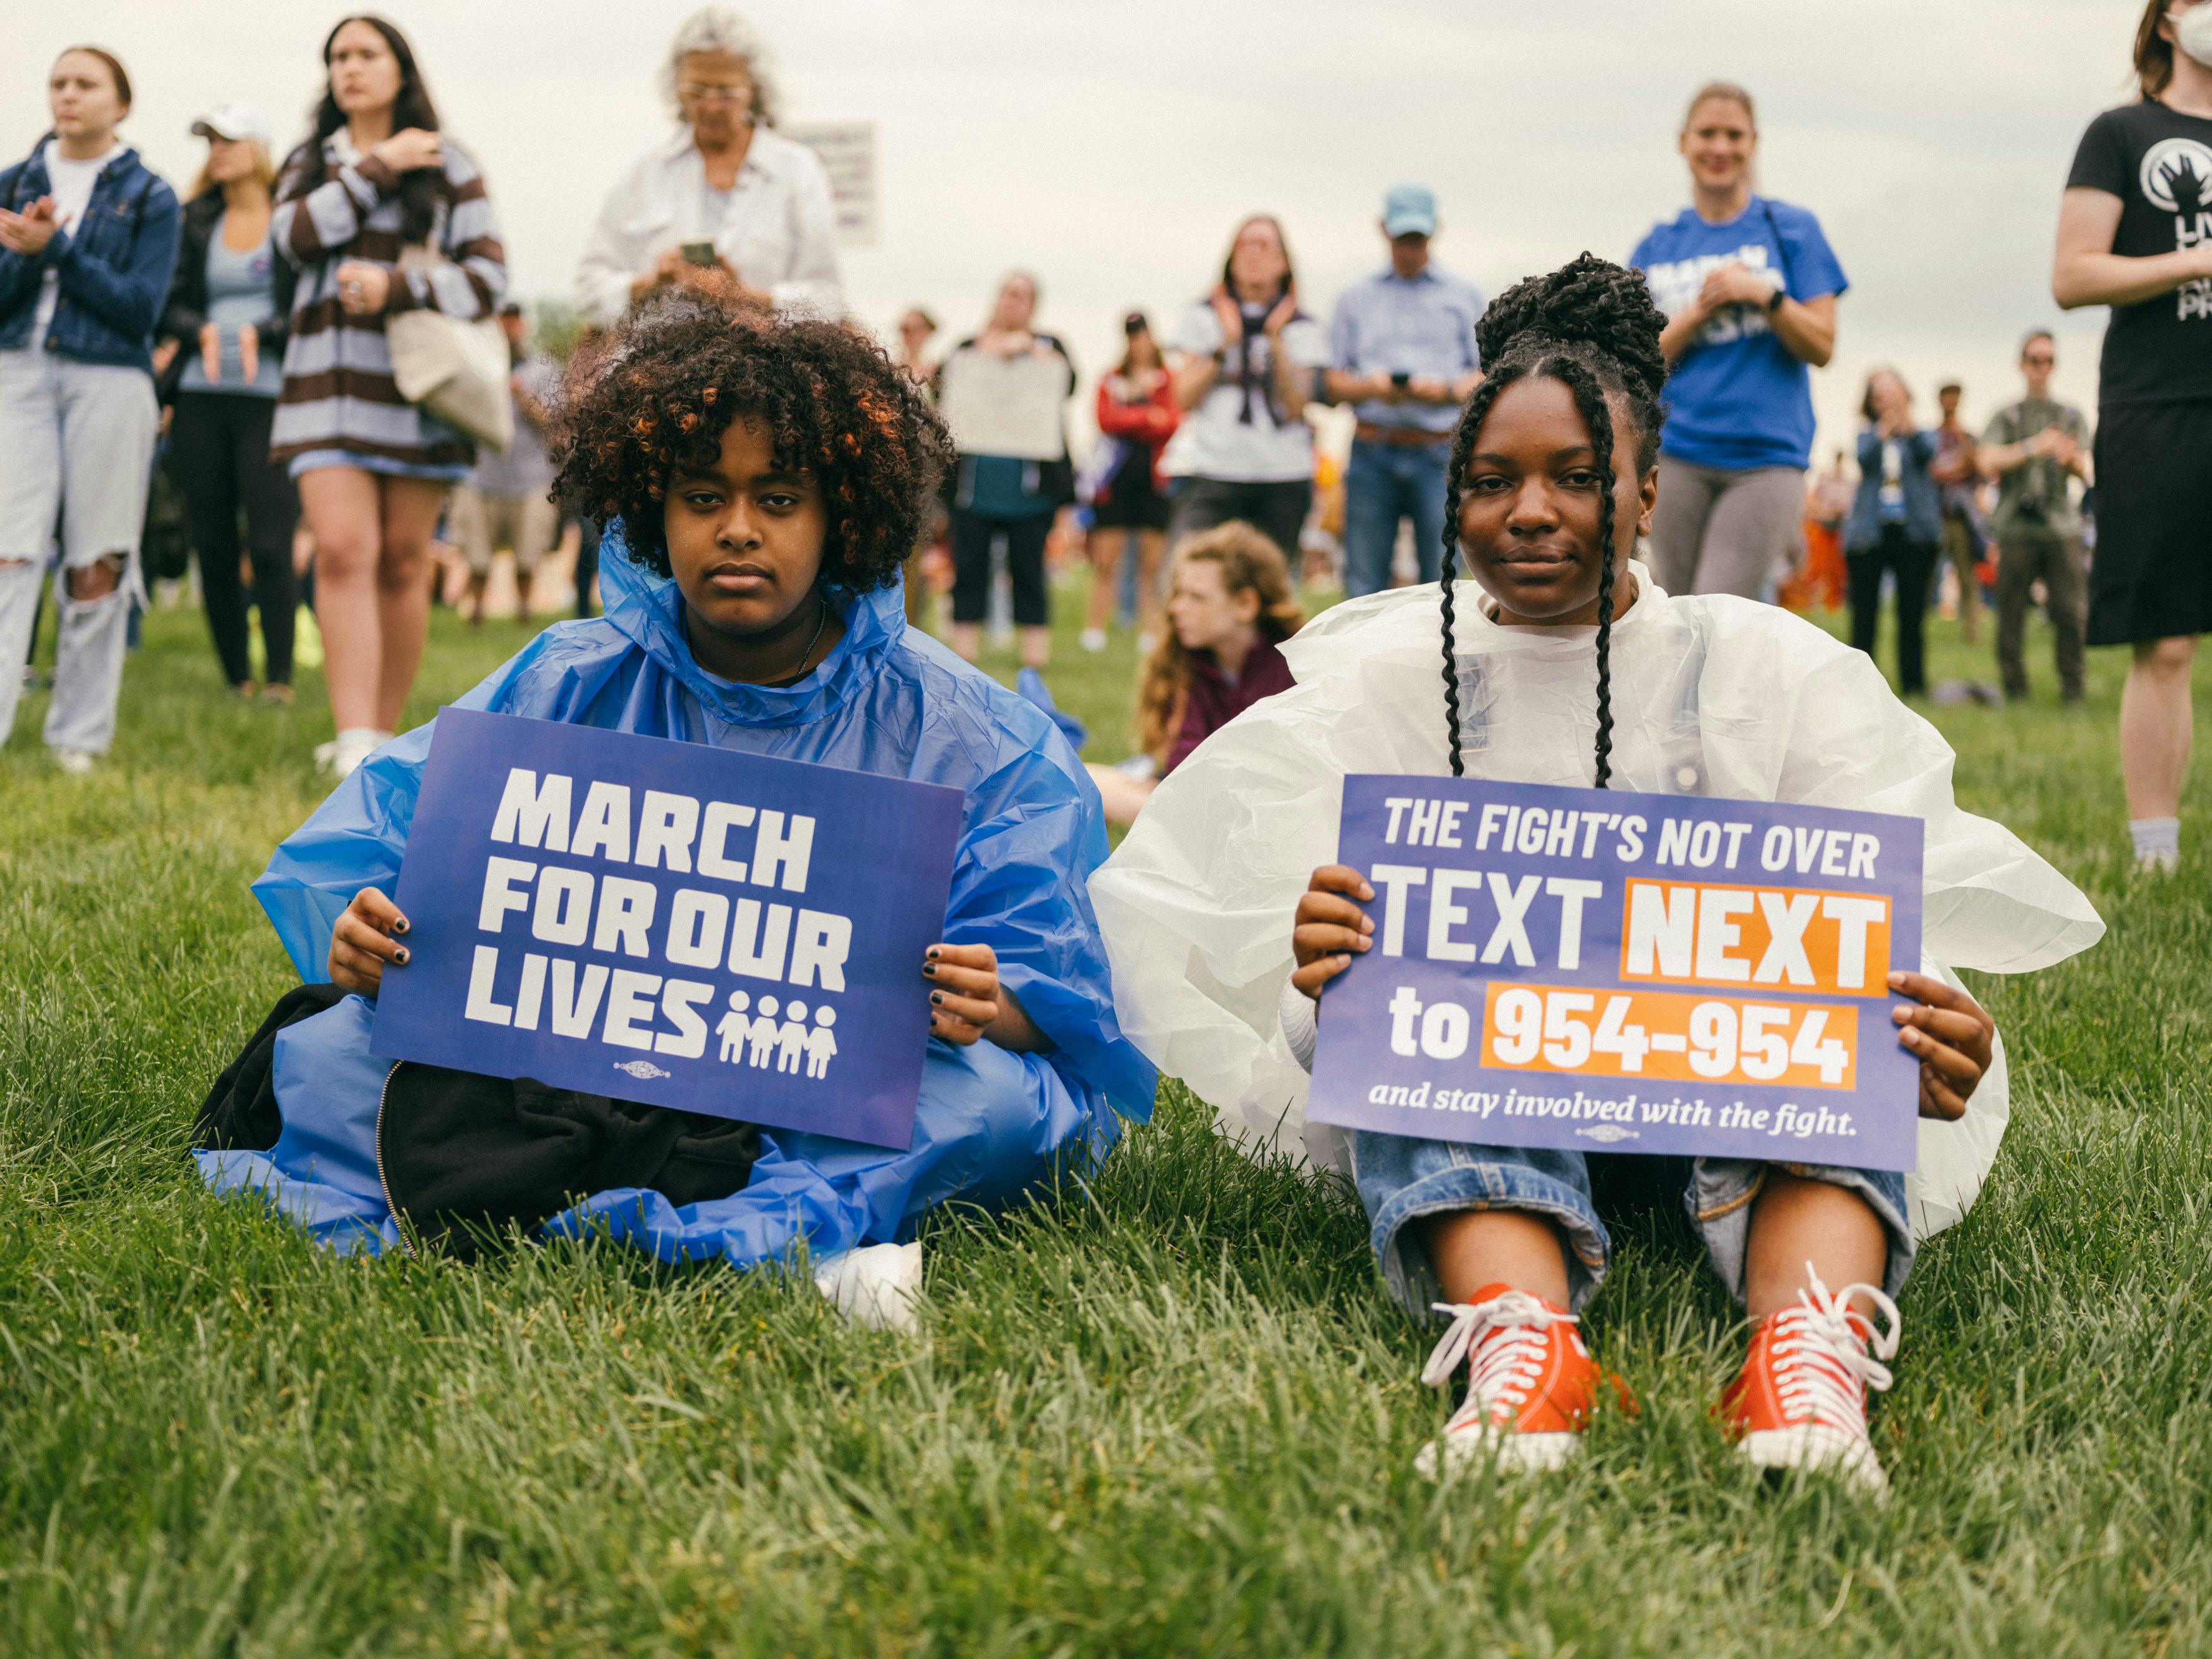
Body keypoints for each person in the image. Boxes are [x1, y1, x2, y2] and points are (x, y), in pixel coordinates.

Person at [1091, 256, 2102, 1493]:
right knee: (1431, 1007)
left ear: (1647, 490)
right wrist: (1329, 974)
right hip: (1495, 1092)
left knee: (1836, 1008)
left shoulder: (1763, 669)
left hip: (1732, 1088)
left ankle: (1805, 1351)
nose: (1532, 511)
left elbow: (1872, 931)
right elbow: (1344, 1024)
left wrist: (1922, 1028)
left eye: (1578, 476)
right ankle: (1524, 1348)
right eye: (1495, 479)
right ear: (1453, 494)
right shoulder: (1401, 683)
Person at [195, 295, 1154, 1277]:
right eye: (703, 497)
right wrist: (373, 934)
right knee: (336, 1052)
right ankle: (790, 1220)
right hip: (585, 1058)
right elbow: (403, 868)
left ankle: (730, 1210)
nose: (738, 529)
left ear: (844, 518)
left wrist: (983, 1004)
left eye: (779, 500)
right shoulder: (567, 676)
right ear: (652, 507)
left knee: (985, 1103)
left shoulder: (968, 730)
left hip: (833, 1075)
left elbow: (1061, 1004)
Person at [270, 16, 507, 780]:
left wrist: (398, 286)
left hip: (418, 391)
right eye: (338, 56)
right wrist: (375, 166)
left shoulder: (451, 162)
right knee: (344, 550)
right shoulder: (313, 161)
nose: (350, 68)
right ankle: (355, 735)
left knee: (405, 562)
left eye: (367, 54)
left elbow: (487, 279)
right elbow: (295, 239)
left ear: (401, 70)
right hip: (322, 388)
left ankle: (385, 733)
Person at [2051, 0, 2212, 873]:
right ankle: (2157, 850)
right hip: (2161, 405)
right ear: (2162, 22)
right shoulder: (2122, 131)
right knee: (2170, 639)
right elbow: (2073, 273)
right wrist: (2194, 260)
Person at [0, 46, 181, 774]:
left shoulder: (151, 194)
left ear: (121, 103)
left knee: (97, 559)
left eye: (86, 84)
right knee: (9, 549)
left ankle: (77, 739)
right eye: (58, 83)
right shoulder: (16, 179)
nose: (68, 95)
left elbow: (141, 310)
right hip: (17, 373)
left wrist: (60, 249)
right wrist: (26, 253)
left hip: (110, 378)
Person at [1631, 82, 1846, 601]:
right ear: (1683, 142)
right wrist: (1702, 311)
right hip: (1676, 454)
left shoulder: (1791, 229)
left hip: (1766, 458)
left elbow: (1822, 344)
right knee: (1674, 610)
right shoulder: (1658, 245)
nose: (1720, 148)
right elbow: (1635, 362)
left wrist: (1762, 296)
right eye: (1708, 133)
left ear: (1754, 143)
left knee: (1718, 606)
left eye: (1734, 135)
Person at [157, 101, 300, 702]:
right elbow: (165, 302)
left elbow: (308, 311)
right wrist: (202, 333)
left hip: (269, 400)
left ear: (258, 149)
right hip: (199, 399)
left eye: (229, 139)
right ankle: (236, 675)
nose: (216, 150)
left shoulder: (293, 222)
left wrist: (259, 333)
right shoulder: (194, 219)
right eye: (209, 140)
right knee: (212, 538)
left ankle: (279, 678)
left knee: (269, 542)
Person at [576, 6, 841, 326]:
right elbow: (589, 293)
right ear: (677, 89)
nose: (712, 106)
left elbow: (828, 300)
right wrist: (652, 283)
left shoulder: (797, 171)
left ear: (753, 90)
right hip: (659, 370)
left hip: (770, 369)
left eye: (726, 93)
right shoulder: (644, 174)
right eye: (697, 92)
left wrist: (741, 296)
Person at [1323, 185, 1486, 597]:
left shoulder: (1464, 296)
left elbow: (1488, 376)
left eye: (1417, 238)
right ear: (1383, 230)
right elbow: (1330, 382)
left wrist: (1446, 391)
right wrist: (1371, 388)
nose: (1409, 248)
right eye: (1402, 238)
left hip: (1440, 452)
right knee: (1363, 584)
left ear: (1435, 232)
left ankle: (1441, 662)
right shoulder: (1354, 298)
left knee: (1444, 580)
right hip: (1371, 450)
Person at [1087, 521, 1302, 825]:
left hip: (1269, 807)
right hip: (1199, 800)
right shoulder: (1186, 663)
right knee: (1083, 777)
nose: (1176, 608)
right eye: (1179, 594)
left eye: (1196, 597)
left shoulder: (1295, 667)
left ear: (1245, 604)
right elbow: (1181, 765)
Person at [1159, 216, 1329, 564]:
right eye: (1245, 245)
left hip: (1283, 472)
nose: (1254, 254)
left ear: (1283, 262)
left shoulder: (1302, 324)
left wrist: (1275, 341)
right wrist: (1227, 342)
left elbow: (1298, 405)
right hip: (1216, 467)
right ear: (1230, 258)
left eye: (1265, 246)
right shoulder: (1202, 316)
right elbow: (1183, 397)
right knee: (1196, 572)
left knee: (1272, 586)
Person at [935, 272, 1076, 669]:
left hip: (1031, 490)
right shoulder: (966, 347)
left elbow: (1069, 385)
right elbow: (943, 389)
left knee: (1030, 571)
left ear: (1034, 305)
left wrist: (1032, 351)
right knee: (968, 568)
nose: (1013, 302)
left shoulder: (1052, 348)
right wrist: (986, 348)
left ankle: (1035, 656)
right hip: (974, 486)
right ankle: (964, 652)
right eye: (1008, 293)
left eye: (1022, 296)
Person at [1979, 332, 2091, 703]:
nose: (2042, 368)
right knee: (2010, 613)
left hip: (2061, 526)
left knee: (2070, 611)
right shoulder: (2005, 415)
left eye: (2048, 360)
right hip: (2015, 527)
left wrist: (2069, 458)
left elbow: (2089, 471)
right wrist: (2033, 447)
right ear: (2022, 364)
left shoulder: (2072, 416)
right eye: (2034, 359)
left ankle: (2073, 690)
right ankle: (2016, 692)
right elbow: (1986, 459)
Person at [450, 302, 559, 626]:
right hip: (481, 475)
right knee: (477, 555)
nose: (509, 328)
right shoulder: (476, 366)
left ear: (523, 325)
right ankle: (477, 610)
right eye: (503, 320)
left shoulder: (544, 368)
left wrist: (522, 397)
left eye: (515, 321)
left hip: (531, 476)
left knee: (528, 555)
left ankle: (524, 610)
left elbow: (555, 424)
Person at [1842, 370, 1942, 698]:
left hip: (1914, 535)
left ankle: (1913, 685)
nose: (1885, 398)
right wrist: (1883, 431)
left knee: (1911, 614)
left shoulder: (1921, 435)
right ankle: (1859, 686)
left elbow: (1930, 455)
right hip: (1871, 535)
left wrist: (1907, 427)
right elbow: (1863, 459)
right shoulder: (1867, 435)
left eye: (1890, 390)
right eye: (1878, 393)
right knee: (1864, 614)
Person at [1083, 311, 1178, 652]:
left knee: (1151, 565)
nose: (1139, 342)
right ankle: (1094, 631)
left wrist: (1135, 417)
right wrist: (1146, 416)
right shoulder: (1111, 379)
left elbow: (1171, 421)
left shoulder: (1167, 380)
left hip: (1154, 482)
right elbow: (1107, 420)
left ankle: (1149, 632)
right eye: (1132, 335)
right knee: (1107, 560)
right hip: (1116, 481)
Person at [1929, 381, 1985, 644]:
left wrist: (1960, 439)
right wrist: (1956, 469)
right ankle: (1922, 633)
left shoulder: (1969, 437)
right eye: (1947, 397)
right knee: (1927, 575)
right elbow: (1930, 473)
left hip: (1961, 519)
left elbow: (1977, 467)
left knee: (1967, 577)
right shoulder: (1930, 438)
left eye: (1955, 398)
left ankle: (1973, 635)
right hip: (1934, 516)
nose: (1951, 403)